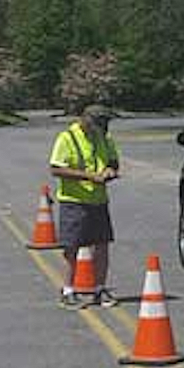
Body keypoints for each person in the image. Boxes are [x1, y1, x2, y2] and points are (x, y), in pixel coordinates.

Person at [49, 104, 121, 309]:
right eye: (100, 124)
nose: (103, 129)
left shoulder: (104, 139)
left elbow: (114, 161)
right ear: (86, 120)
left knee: (102, 244)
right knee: (71, 246)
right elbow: (56, 168)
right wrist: (89, 177)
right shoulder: (67, 138)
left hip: (98, 200)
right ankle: (68, 290)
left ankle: (99, 288)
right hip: (74, 200)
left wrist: (109, 171)